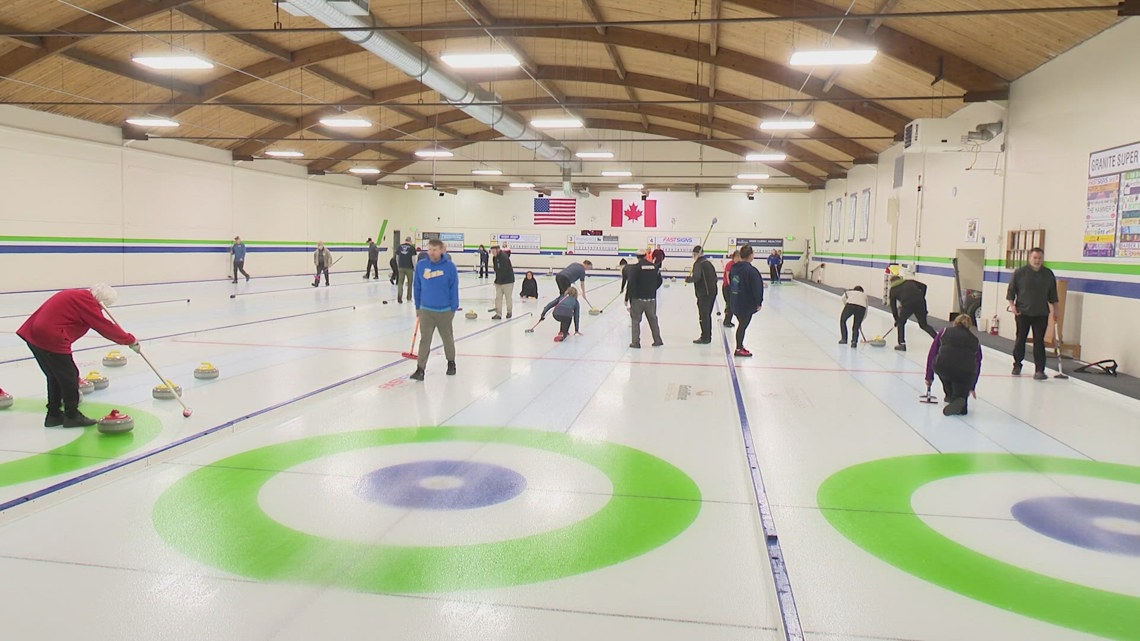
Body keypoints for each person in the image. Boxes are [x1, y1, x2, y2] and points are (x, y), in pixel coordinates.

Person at [17, 284, 140, 427]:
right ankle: (72, 415)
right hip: (51, 337)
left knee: (55, 376)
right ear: (102, 301)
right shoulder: (88, 303)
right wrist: (130, 340)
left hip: (34, 335)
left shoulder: (77, 296)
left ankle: (54, 415)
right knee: (70, 376)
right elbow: (104, 327)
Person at [1006, 247, 1059, 379]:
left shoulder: (1048, 274)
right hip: (1022, 312)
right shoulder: (1020, 273)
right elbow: (1011, 292)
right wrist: (1012, 306)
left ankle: (1040, 370)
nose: (1037, 260)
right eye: (1035, 258)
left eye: (1040, 258)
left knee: (1039, 342)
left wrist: (1056, 311)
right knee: (1020, 339)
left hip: (1041, 313)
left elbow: (1053, 295)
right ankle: (1017, 365)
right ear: (1030, 258)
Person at [411, 239, 460, 381]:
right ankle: (420, 369)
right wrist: (418, 306)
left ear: (441, 250)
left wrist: (453, 307)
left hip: (445, 310)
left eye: (435, 250)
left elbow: (453, 288)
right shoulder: (421, 266)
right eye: (430, 249)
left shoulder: (450, 267)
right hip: (426, 310)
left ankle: (451, 363)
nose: (432, 253)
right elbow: (417, 286)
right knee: (425, 340)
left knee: (447, 338)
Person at [925, 314, 983, 416]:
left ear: (955, 322)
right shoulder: (975, 340)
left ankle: (950, 395)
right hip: (965, 372)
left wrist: (929, 376)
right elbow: (978, 362)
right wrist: (972, 386)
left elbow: (932, 353)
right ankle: (959, 401)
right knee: (962, 400)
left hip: (942, 366)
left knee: (945, 372)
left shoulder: (944, 332)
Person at [729, 244, 765, 357]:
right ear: (750, 256)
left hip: (735, 302)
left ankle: (740, 345)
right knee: (742, 326)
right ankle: (739, 348)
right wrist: (759, 302)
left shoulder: (734, 268)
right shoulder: (751, 270)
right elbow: (757, 288)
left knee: (741, 324)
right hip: (746, 304)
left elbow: (731, 284)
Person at [624, 249, 663, 348]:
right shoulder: (654, 267)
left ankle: (635, 342)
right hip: (651, 299)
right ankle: (657, 340)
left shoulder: (635, 268)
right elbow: (660, 281)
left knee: (635, 320)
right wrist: (652, 289)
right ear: (646, 256)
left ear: (637, 257)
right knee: (653, 320)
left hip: (637, 299)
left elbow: (631, 283)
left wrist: (627, 297)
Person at [888, 275, 937, 351]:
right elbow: (924, 286)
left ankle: (902, 344)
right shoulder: (909, 281)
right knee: (923, 325)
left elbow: (893, 306)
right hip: (921, 303)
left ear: (891, 282)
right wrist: (921, 296)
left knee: (901, 323)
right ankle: (938, 340)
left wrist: (896, 319)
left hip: (907, 305)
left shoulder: (893, 290)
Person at [685, 245, 718, 344]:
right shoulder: (708, 263)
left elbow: (696, 277)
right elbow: (715, 278)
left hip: (704, 294)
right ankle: (707, 336)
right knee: (707, 315)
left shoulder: (698, 264)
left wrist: (688, 279)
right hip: (712, 293)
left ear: (696, 254)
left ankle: (705, 337)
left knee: (703, 316)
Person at [491, 245, 515, 320]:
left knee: (508, 297)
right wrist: (497, 281)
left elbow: (504, 270)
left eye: (493, 251)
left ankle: (509, 312)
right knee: (498, 298)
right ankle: (498, 314)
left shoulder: (504, 257)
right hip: (499, 282)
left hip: (508, 281)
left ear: (498, 250)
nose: (492, 253)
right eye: (491, 251)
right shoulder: (494, 258)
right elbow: (496, 270)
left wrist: (499, 280)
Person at [395, 236, 416, 303]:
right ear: (410, 241)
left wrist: (398, 265)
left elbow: (397, 257)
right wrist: (415, 267)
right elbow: (413, 259)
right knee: (410, 283)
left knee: (400, 282)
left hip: (401, 267)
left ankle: (399, 296)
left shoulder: (399, 247)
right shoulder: (412, 248)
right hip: (409, 268)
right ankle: (409, 298)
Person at [723, 250, 738, 328]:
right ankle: (726, 321)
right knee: (729, 304)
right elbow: (728, 276)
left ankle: (728, 320)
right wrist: (730, 285)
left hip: (733, 287)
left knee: (731, 304)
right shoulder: (730, 264)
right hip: (727, 287)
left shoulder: (737, 264)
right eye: (737, 257)